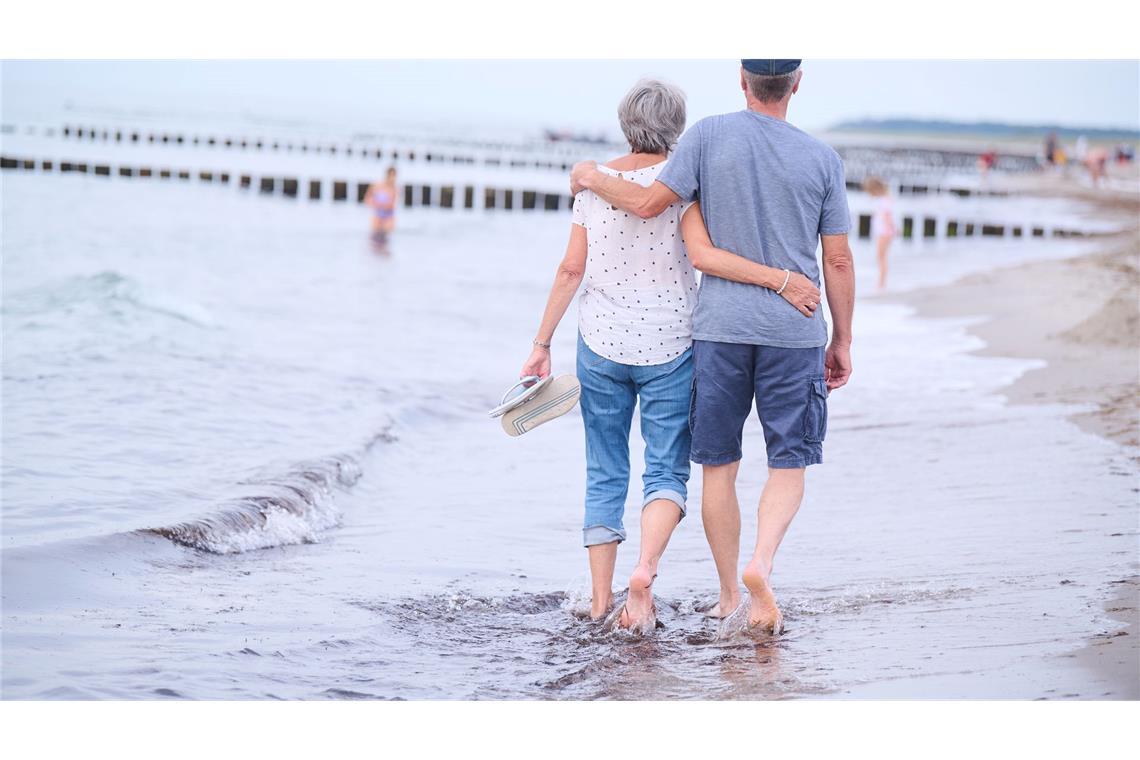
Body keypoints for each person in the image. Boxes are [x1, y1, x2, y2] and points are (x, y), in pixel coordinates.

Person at [571, 59, 855, 635]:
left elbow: (650, 204)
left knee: (718, 466)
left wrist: (590, 175)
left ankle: (729, 593)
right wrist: (843, 338)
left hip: (718, 330)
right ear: (796, 84)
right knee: (788, 461)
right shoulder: (823, 160)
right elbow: (840, 258)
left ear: (743, 81)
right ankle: (761, 564)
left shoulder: (704, 136)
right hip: (793, 330)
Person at [518, 79, 696, 633]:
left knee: (604, 470)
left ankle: (599, 602)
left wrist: (540, 343)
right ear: (678, 126)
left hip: (600, 342)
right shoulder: (687, 184)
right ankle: (643, 572)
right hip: (672, 342)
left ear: (625, 123)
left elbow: (571, 270)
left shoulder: (592, 186)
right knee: (665, 468)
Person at [864, 177, 896, 290]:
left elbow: (887, 216)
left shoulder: (883, 200)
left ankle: (881, 283)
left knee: (881, 257)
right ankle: (881, 282)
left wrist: (893, 229)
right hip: (884, 231)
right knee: (882, 257)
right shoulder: (884, 199)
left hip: (884, 232)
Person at [365, 167, 398, 247]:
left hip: (388, 216)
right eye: (391, 176)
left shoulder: (395, 189)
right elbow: (367, 199)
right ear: (387, 175)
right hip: (378, 215)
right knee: (374, 239)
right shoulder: (377, 185)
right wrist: (377, 204)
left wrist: (386, 206)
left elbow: (393, 205)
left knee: (385, 240)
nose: (393, 178)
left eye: (394, 176)